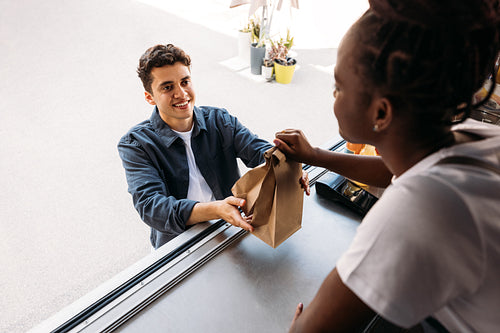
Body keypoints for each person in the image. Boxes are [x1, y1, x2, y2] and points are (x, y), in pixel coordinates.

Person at [274, 0, 500, 332]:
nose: (333, 95)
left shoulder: (416, 209)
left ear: (381, 113)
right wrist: (316, 156)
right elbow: (401, 170)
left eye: (339, 87)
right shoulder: (475, 136)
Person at [117, 44, 277, 249]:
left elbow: (258, 150)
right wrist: (215, 210)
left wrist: (285, 163)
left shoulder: (219, 120)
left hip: (229, 231)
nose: (181, 93)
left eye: (185, 82)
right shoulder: (136, 144)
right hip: (178, 246)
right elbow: (152, 208)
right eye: (167, 87)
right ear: (150, 97)